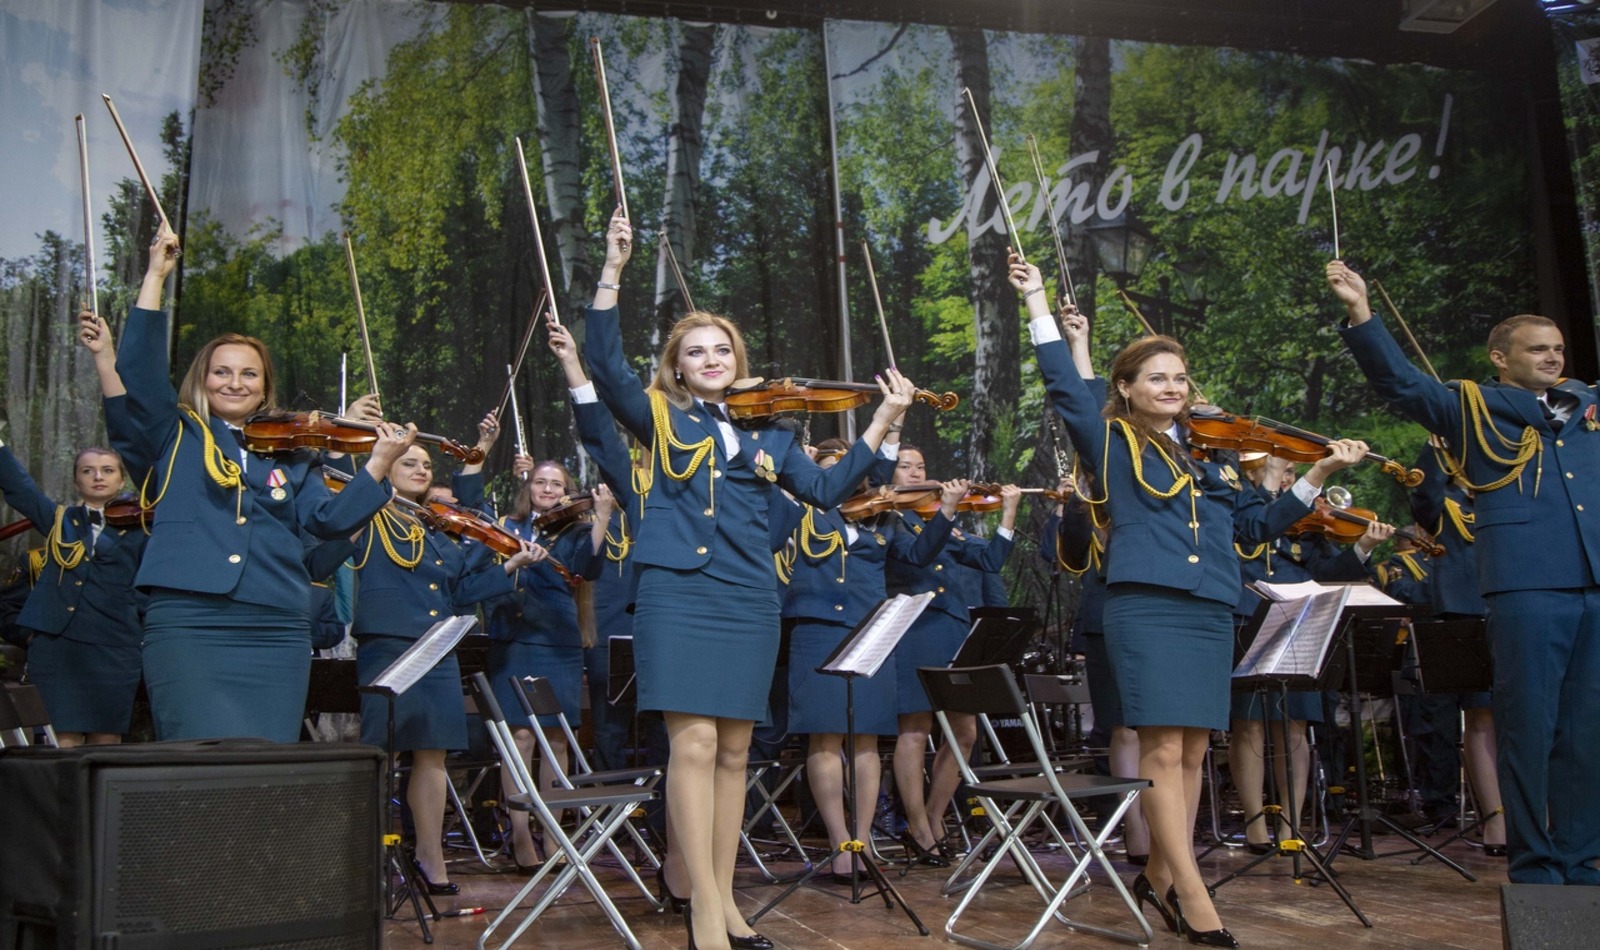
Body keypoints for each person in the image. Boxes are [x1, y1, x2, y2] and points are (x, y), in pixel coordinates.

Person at [585, 209, 914, 950]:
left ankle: (727, 902)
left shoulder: (772, 434)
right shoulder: (663, 420)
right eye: (695, 351)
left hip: (749, 600)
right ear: (676, 367)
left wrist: (883, 421)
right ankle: (703, 908)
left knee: (735, 750)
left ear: (738, 359)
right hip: (679, 597)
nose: (710, 358)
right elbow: (603, 367)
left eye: (721, 349)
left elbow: (828, 495)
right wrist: (613, 270)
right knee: (694, 745)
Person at [1016, 253, 1365, 947]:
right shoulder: (1109, 441)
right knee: (1161, 748)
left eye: (1179, 376)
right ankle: (1195, 894)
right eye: (1157, 377)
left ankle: (1166, 883)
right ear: (1127, 388)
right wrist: (1037, 305)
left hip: (1210, 608)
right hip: (1147, 607)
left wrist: (1316, 474)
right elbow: (1063, 385)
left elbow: (1252, 529)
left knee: (1193, 751)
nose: (1173, 386)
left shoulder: (1214, 457)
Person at [1328, 260, 1596, 884]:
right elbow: (1398, 382)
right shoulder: (1472, 408)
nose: (1553, 358)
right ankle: (1537, 866)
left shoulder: (1588, 407)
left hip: (1593, 581)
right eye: (1537, 349)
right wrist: (1361, 310)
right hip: (1526, 586)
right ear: (1500, 358)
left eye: (1558, 349)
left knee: (1587, 734)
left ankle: (1584, 861)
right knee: (1527, 730)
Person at [106, 225, 406, 742]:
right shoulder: (174, 433)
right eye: (222, 372)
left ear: (264, 386)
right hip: (189, 620)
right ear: (203, 379)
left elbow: (328, 521)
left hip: (275, 623)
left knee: (268, 766)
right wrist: (156, 274)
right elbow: (138, 369)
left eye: (248, 375)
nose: (234, 383)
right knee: (194, 759)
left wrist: (378, 465)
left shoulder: (293, 450)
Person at [349, 441, 543, 892]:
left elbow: (460, 587)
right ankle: (365, 858)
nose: (420, 469)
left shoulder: (436, 528)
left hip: (436, 649)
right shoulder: (372, 512)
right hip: (389, 645)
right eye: (409, 462)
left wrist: (510, 564)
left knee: (433, 755)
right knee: (384, 754)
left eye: (426, 465)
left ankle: (430, 856)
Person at [773, 437, 965, 881]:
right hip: (817, 629)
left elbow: (917, 555)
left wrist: (948, 510)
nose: (843, 476)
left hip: (870, 632)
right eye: (830, 468)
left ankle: (863, 841)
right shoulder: (805, 510)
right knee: (825, 740)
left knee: (866, 742)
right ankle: (840, 842)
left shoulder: (881, 516)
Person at [1226, 455, 1391, 852]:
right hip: (1250, 619)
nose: (1290, 479)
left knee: (1295, 723)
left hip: (1299, 621)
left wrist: (1364, 546)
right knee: (1249, 725)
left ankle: (1292, 825)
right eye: (1282, 471)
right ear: (1255, 474)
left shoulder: (1305, 525)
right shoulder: (1240, 506)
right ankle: (1254, 825)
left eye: (1291, 473)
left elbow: (1327, 573)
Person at [0, 313, 145, 745]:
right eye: (88, 470)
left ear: (122, 480)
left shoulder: (142, 526)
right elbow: (20, 490)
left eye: (107, 470)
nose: (98, 477)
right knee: (62, 746)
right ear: (76, 480)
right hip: (59, 649)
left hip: (114, 648)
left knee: (107, 745)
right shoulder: (61, 519)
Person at [882, 447, 1019, 863]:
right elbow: (917, 556)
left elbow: (990, 560)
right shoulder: (889, 517)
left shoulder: (933, 515)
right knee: (915, 730)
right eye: (905, 466)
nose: (916, 472)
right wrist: (947, 509)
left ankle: (936, 816)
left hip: (954, 630)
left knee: (965, 732)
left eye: (921, 466)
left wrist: (1008, 512)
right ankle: (918, 827)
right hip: (916, 630)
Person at [486, 454, 610, 869]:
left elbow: (589, 568)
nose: (549, 490)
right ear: (528, 486)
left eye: (557, 484)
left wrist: (603, 519)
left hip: (558, 640)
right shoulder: (508, 525)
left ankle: (554, 835)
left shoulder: (574, 532)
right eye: (541, 482)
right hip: (516, 638)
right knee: (519, 739)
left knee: (556, 739)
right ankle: (521, 837)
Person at [1042, 473, 1151, 864]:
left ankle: (1168, 827)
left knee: (1164, 728)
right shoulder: (1086, 504)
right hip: (1104, 618)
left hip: (1157, 612)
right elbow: (1068, 553)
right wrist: (1076, 502)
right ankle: (1134, 824)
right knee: (1123, 725)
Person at [1402, 441, 1504, 854]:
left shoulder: (1510, 492)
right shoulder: (1450, 505)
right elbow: (1423, 496)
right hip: (1468, 615)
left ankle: (1543, 815)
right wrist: (1433, 445)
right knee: (1481, 717)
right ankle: (1495, 819)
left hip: (1518, 607)